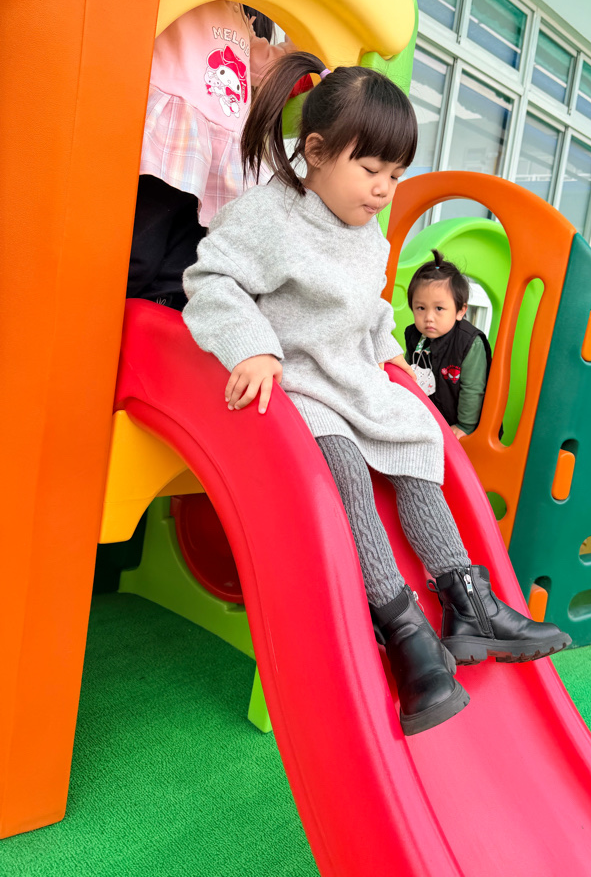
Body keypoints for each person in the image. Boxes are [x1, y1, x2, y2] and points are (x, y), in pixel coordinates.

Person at [181, 51, 571, 736]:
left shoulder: (368, 231)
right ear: (316, 152)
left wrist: (394, 361)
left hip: (355, 377)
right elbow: (211, 280)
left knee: (421, 444)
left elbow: (370, 310)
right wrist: (253, 346)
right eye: (370, 170)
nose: (385, 189)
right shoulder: (272, 215)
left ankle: (468, 604)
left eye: (396, 174)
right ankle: (401, 626)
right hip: (299, 382)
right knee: (346, 474)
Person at [127, 2, 297, 310]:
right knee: (139, 253)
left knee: (182, 266)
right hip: (176, 137)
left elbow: (269, 68)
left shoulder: (238, 15)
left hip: (216, 159)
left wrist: (301, 37)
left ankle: (154, 318)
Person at [404, 250, 491, 440]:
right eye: (421, 308)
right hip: (426, 421)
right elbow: (407, 374)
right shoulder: (413, 336)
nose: (429, 317)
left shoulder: (469, 342)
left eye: (439, 308)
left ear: (460, 311)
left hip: (460, 427)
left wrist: (465, 426)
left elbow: (473, 388)